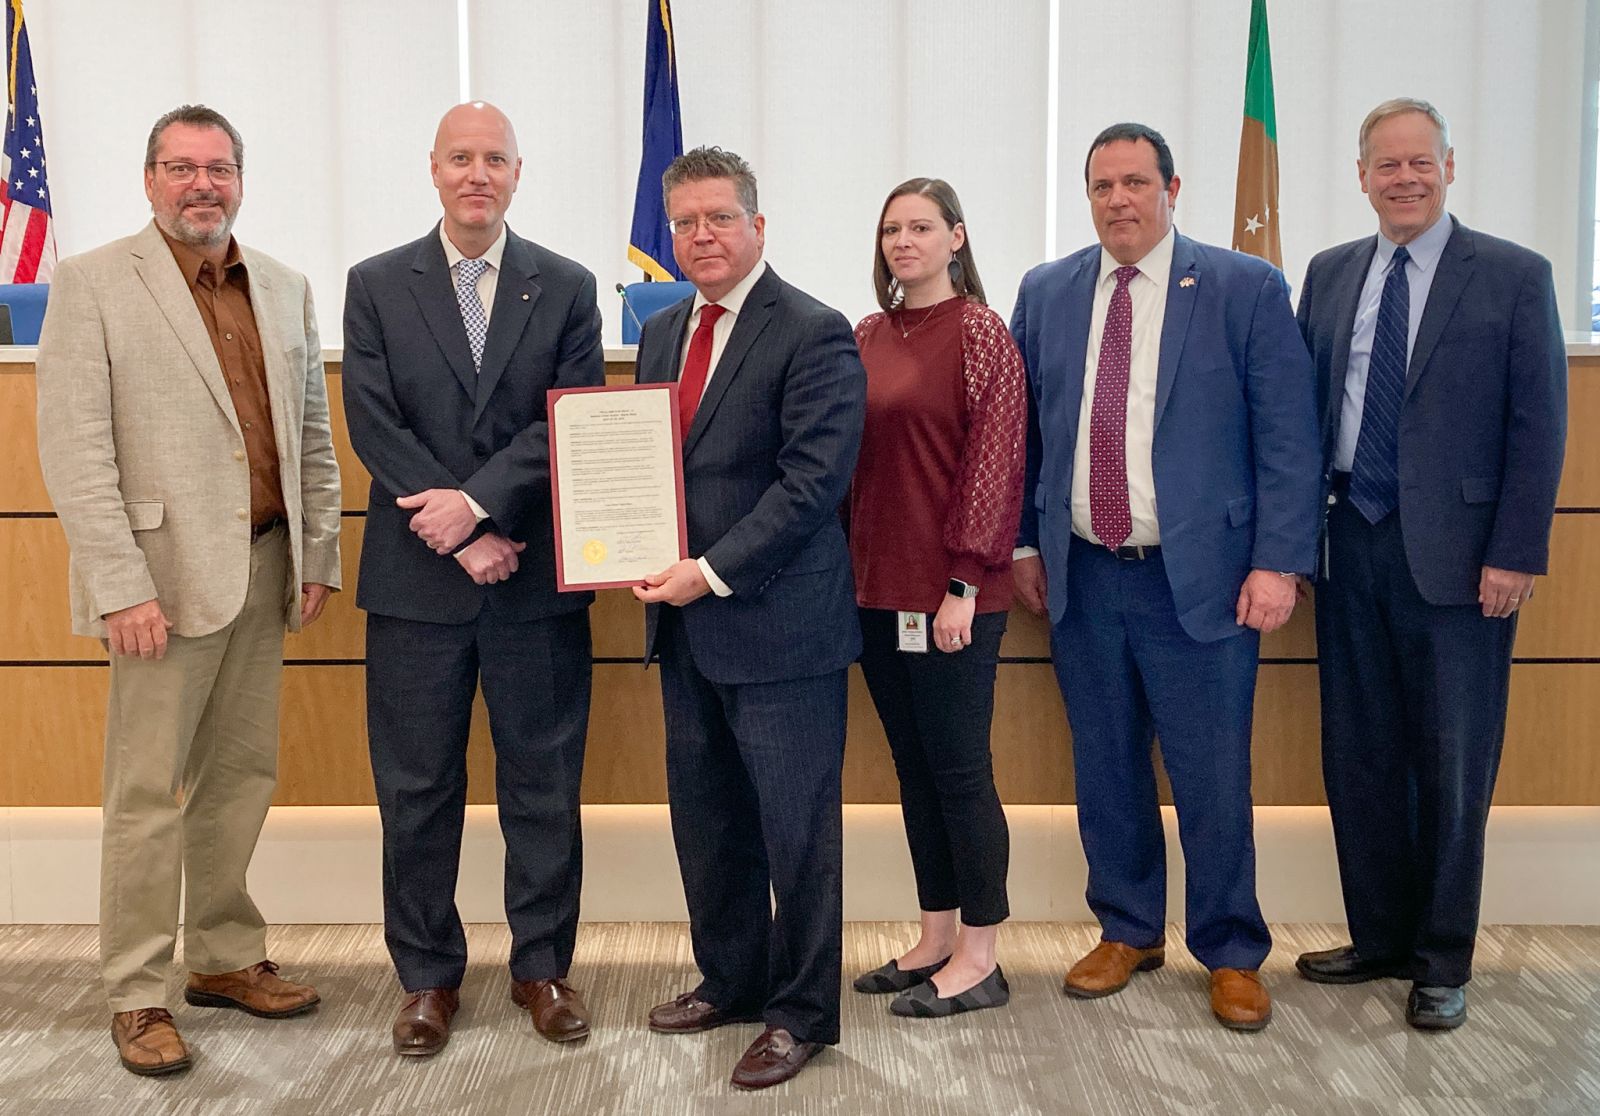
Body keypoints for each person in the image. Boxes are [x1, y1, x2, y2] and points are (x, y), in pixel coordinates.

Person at [35, 104, 341, 1076]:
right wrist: (121, 584)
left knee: (241, 777)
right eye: (180, 167)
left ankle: (219, 956)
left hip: (264, 568)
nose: (200, 184)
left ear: (240, 179)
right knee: (144, 795)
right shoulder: (90, 285)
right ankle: (135, 990)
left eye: (217, 168)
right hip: (158, 587)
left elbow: (310, 438)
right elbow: (76, 453)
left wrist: (318, 554)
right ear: (149, 179)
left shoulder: (284, 286)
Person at [1010, 122, 1321, 1031]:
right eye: (1102, 185)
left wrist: (1277, 563)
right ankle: (1128, 926)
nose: (1119, 200)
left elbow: (1289, 438)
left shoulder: (1243, 287)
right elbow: (1026, 432)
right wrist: (1027, 546)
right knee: (1104, 765)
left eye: (1136, 182)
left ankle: (1229, 948)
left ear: (1172, 188)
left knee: (1212, 774)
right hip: (1084, 575)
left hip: (1205, 579)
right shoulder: (1049, 290)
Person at [1294, 98, 1566, 1030]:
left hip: (1460, 561)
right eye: (1386, 165)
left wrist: (1516, 550)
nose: (1404, 179)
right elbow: (1301, 423)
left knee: (1452, 763)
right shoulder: (1330, 275)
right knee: (1360, 755)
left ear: (1451, 166)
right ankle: (1380, 938)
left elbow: (1539, 425)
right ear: (1360, 175)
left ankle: (1442, 957)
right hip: (1349, 542)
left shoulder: (1514, 275)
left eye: (1421, 163)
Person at [341, 101, 604, 1057]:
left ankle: (543, 966)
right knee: (416, 789)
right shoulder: (375, 284)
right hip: (418, 585)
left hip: (532, 578)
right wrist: (456, 535)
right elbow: (375, 425)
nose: (477, 173)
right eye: (461, 157)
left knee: (544, 784)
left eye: (495, 158)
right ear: (434, 169)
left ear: (519, 172)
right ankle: (424, 978)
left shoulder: (567, 286)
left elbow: (564, 421)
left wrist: (482, 509)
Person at [633, 146, 865, 1090]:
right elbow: (652, 471)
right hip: (683, 628)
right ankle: (730, 978)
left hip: (779, 628)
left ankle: (802, 1012)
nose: (701, 236)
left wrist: (710, 572)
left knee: (796, 832)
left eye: (719, 218)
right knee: (709, 821)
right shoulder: (660, 332)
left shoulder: (814, 330)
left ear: (758, 226)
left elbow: (811, 485)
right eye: (685, 222)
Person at [846, 178, 1026, 1017]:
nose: (903, 241)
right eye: (891, 229)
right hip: (878, 593)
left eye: (921, 227)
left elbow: (996, 466)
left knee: (960, 771)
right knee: (914, 772)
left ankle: (983, 955)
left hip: (954, 596)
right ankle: (936, 934)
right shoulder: (867, 334)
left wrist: (961, 583)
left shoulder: (982, 333)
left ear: (957, 237)